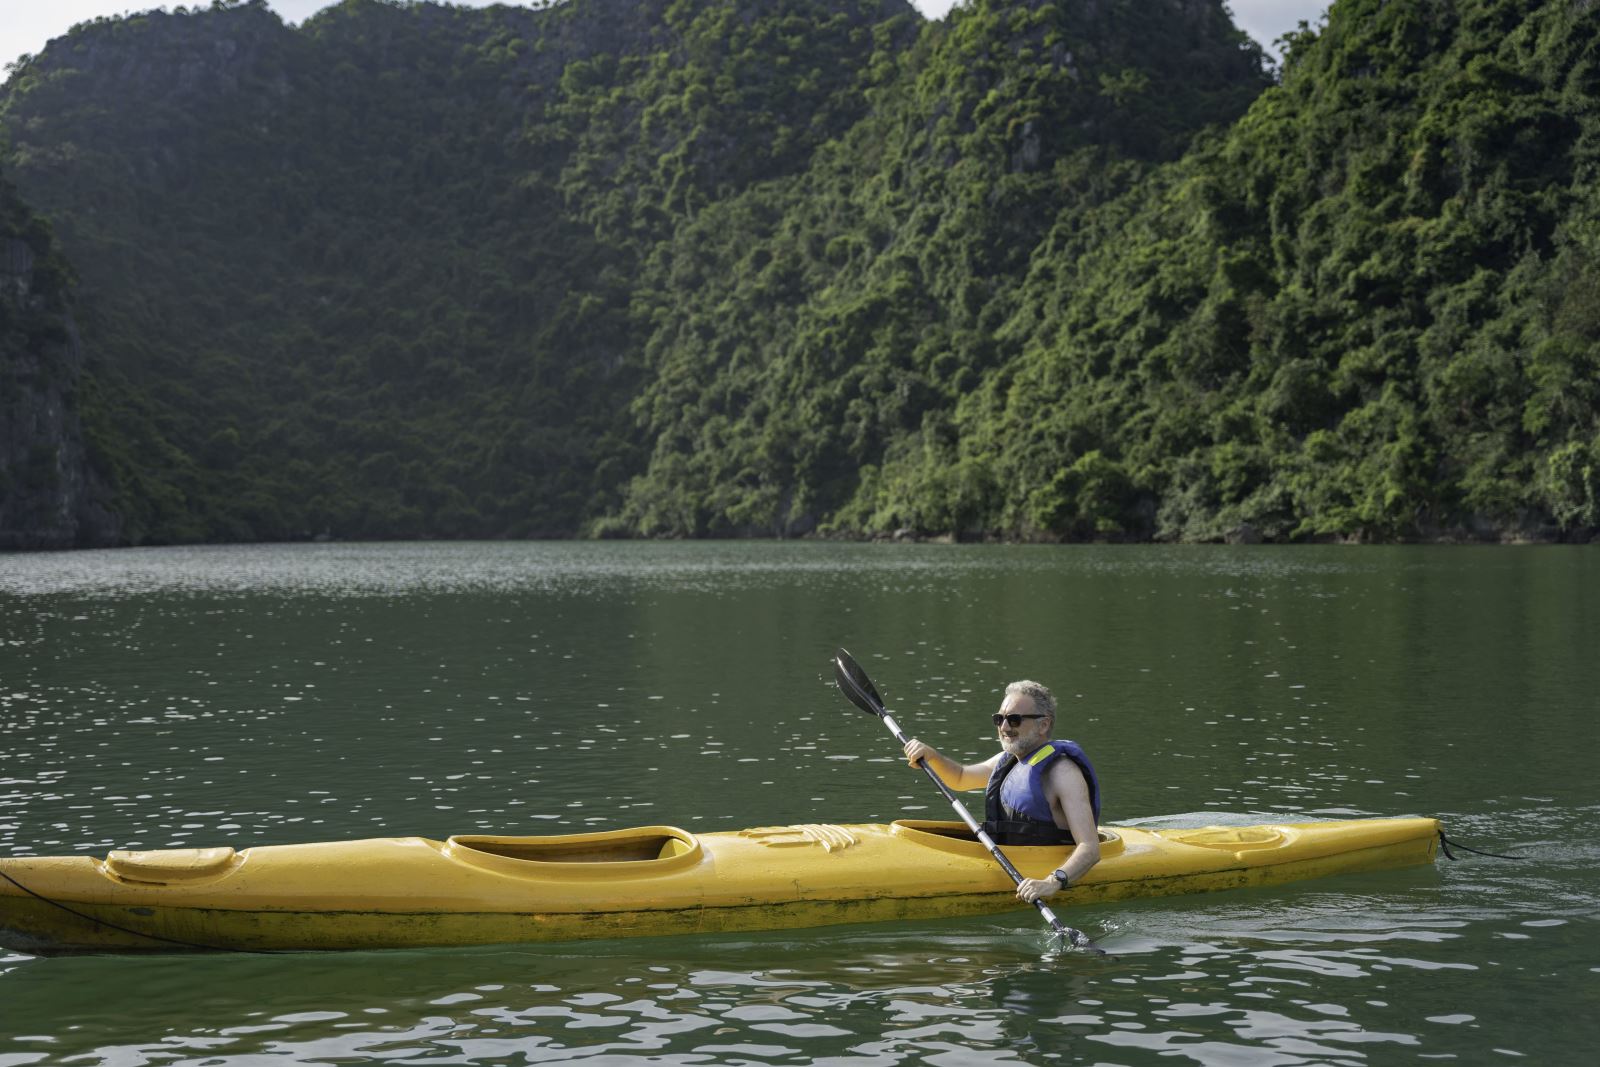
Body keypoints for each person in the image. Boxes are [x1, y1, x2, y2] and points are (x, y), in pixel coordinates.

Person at [903, 679, 1101, 905]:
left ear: (1043, 725)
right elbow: (959, 777)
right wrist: (931, 756)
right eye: (1000, 719)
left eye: (1014, 720)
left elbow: (1090, 848)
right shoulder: (1006, 762)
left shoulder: (1063, 772)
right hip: (1011, 860)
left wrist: (1052, 882)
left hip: (1048, 871)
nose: (1005, 728)